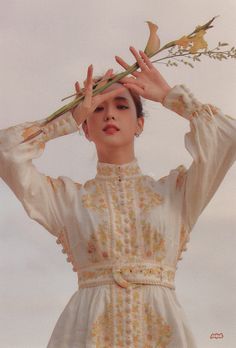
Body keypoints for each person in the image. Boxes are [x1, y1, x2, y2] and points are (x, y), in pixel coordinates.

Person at [0, 46, 235, 348]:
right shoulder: (66, 200)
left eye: (122, 106)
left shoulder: (177, 193)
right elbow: (6, 152)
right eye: (97, 108)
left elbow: (227, 137)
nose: (109, 113)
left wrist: (170, 97)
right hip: (85, 334)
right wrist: (64, 121)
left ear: (140, 123)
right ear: (85, 128)